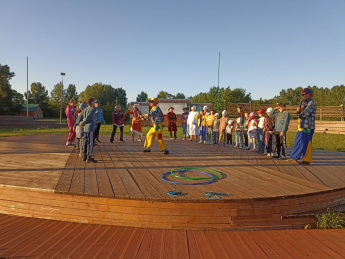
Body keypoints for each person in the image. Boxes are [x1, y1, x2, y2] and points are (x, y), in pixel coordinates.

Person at [288, 88, 317, 164]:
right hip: (301, 125)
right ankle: (294, 157)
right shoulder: (304, 102)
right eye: (301, 94)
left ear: (309, 95)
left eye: (303, 94)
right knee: (298, 141)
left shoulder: (311, 102)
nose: (302, 96)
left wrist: (298, 112)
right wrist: (299, 111)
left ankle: (306, 160)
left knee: (306, 143)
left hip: (308, 126)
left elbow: (305, 114)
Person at [79, 98, 97, 163]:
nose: (95, 104)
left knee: (85, 141)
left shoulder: (85, 109)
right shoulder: (92, 110)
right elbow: (88, 118)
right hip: (90, 127)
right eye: (94, 102)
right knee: (90, 142)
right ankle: (89, 156)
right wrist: (81, 123)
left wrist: (78, 123)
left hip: (85, 128)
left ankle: (84, 156)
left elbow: (81, 117)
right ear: (92, 103)